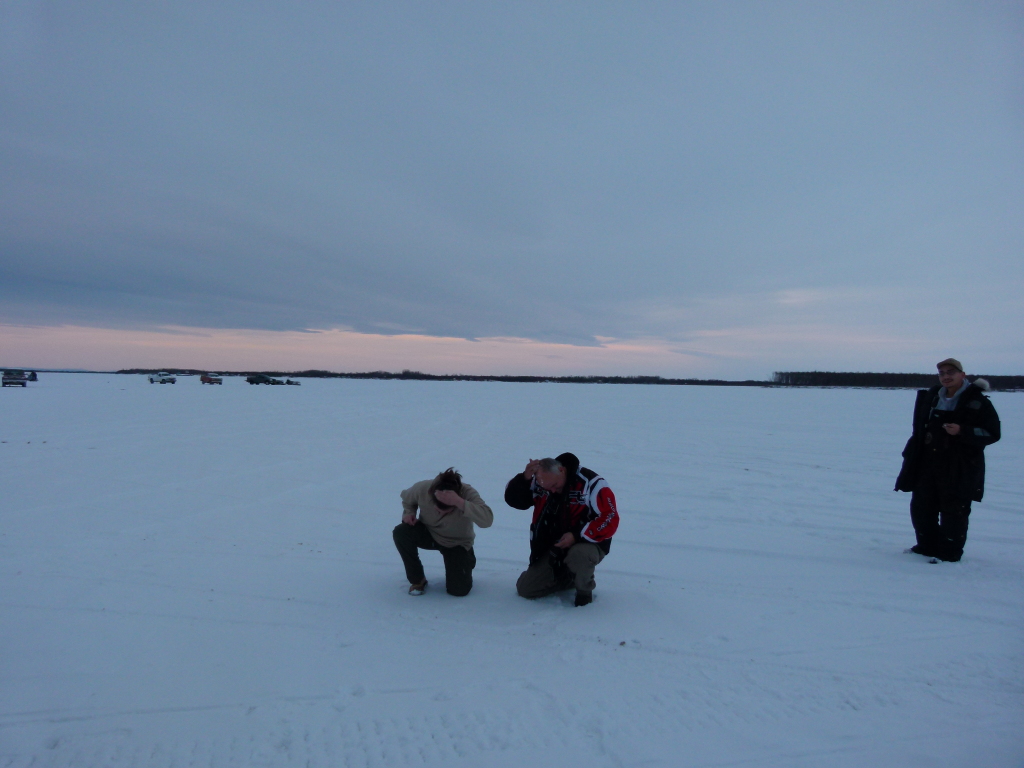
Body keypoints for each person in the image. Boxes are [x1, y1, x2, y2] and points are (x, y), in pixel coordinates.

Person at [895, 358, 1000, 562]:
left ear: (962, 374)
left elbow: (992, 433)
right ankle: (926, 547)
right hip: (927, 462)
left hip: (959, 466)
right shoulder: (932, 397)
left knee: (954, 511)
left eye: (950, 372)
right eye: (941, 373)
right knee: (922, 507)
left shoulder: (978, 401)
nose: (946, 376)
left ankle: (949, 554)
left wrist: (963, 431)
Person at [504, 453, 619, 606]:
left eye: (555, 486)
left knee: (579, 555)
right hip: (554, 546)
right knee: (526, 589)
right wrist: (524, 478)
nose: (551, 491)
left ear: (562, 470)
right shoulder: (541, 482)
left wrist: (577, 535)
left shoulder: (592, 483)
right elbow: (514, 500)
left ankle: (584, 592)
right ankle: (568, 575)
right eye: (547, 488)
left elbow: (610, 517)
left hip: (589, 542)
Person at [393, 468, 493, 596]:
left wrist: (460, 502)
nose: (441, 512)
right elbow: (407, 500)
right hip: (428, 532)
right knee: (401, 532)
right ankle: (417, 580)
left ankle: (467, 559)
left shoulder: (467, 493)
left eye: (447, 509)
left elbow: (487, 521)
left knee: (458, 590)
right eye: (438, 507)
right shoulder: (423, 488)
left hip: (456, 542)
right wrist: (409, 513)